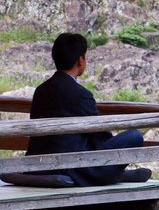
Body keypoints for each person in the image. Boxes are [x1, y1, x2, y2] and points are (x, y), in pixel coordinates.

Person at [27, 32, 147, 185]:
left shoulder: (41, 90)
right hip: (74, 167)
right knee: (134, 137)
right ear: (80, 60)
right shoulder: (80, 94)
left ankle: (114, 175)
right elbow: (101, 134)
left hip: (39, 165)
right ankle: (113, 176)